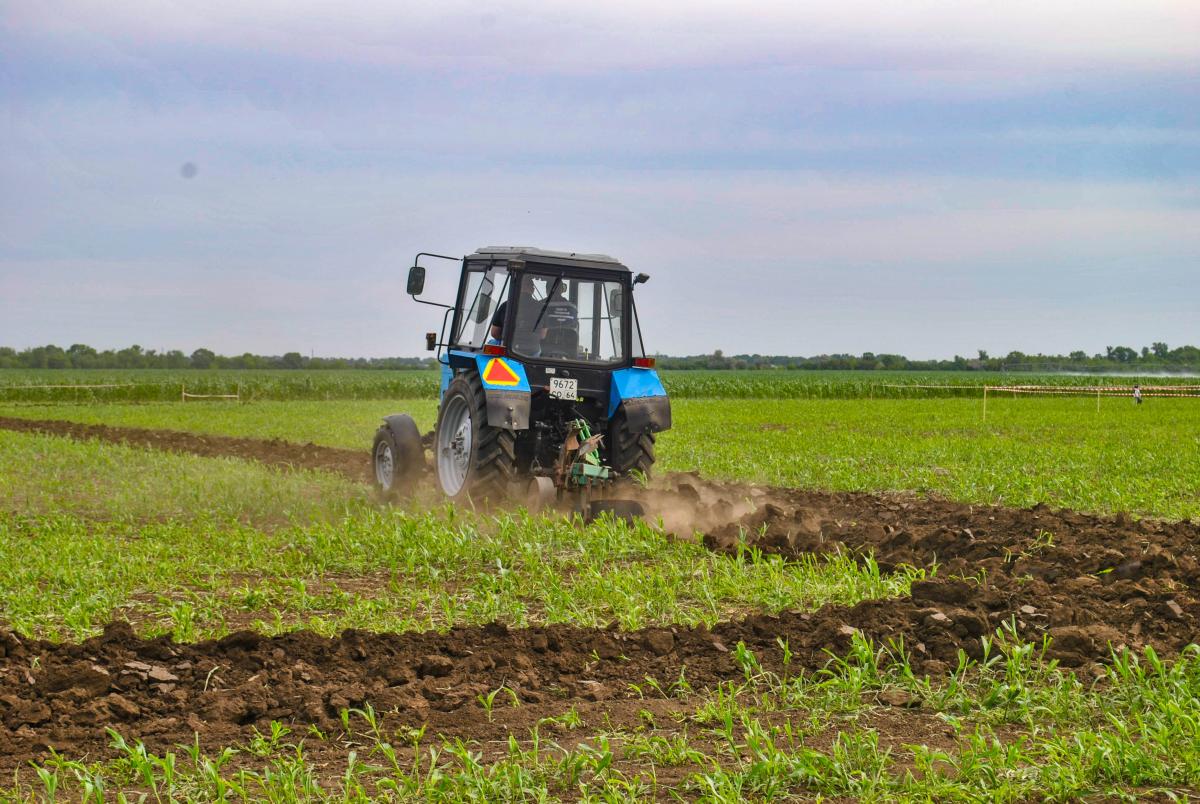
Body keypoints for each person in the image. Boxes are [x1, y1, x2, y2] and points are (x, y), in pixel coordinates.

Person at [489, 275, 578, 357]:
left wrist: (510, 339)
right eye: (533, 286)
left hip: (509, 349)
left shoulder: (506, 305)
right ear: (561, 290)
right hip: (534, 351)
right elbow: (542, 335)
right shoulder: (570, 307)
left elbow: (494, 333)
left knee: (491, 343)